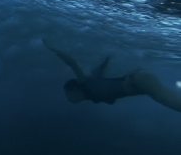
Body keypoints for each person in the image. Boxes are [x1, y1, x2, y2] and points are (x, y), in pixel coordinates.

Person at [44, 39, 181, 113]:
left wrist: (55, 50)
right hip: (139, 81)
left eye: (68, 95)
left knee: (167, 100)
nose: (68, 99)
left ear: (74, 89)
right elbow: (104, 69)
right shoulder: (92, 92)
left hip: (137, 80)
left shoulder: (85, 82)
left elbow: (73, 63)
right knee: (169, 100)